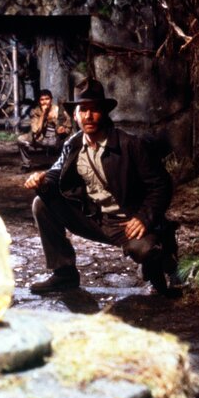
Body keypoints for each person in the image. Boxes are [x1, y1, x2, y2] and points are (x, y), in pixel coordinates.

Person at [23, 79, 178, 295]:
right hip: (93, 218)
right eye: (83, 110)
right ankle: (64, 273)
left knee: (145, 250)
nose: (88, 116)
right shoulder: (73, 144)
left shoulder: (131, 144)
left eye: (94, 109)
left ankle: (160, 258)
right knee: (41, 203)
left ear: (104, 113)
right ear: (75, 115)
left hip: (126, 222)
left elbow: (161, 185)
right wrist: (41, 179)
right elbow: (56, 173)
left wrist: (144, 217)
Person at [16, 89, 72, 171]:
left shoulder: (58, 110)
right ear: (39, 101)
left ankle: (65, 164)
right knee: (21, 139)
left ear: (51, 100)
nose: (45, 102)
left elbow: (69, 127)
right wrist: (43, 114)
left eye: (47, 99)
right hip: (40, 139)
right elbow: (36, 131)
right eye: (42, 100)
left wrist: (62, 130)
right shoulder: (36, 111)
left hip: (55, 140)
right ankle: (26, 164)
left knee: (71, 141)